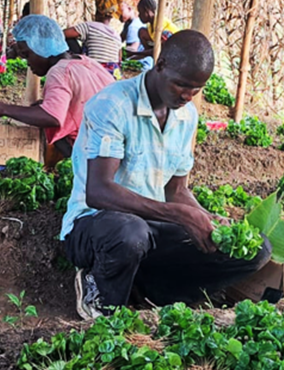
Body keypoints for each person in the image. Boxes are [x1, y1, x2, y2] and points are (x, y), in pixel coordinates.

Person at [60, 30, 271, 320]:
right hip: (95, 227)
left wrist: (206, 218)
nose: (187, 96)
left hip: (151, 228)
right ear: (160, 65)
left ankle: (151, 293)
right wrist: (179, 215)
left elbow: (176, 190)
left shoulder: (186, 116)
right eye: (181, 85)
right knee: (130, 232)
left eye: (196, 89)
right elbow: (99, 192)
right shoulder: (114, 105)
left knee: (255, 249)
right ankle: (98, 291)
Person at [0, 15, 114, 161]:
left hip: (93, 153)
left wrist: (3, 109)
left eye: (27, 55)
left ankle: (71, 164)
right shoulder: (87, 62)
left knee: (49, 126)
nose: (28, 63)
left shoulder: (60, 71)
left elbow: (52, 117)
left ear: (40, 47)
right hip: (112, 144)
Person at [64, 0, 125, 79]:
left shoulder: (89, 27)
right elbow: (119, 59)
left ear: (97, 9)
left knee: (69, 39)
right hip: (112, 76)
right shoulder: (116, 36)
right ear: (112, 15)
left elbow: (62, 34)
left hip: (92, 74)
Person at [125, 0, 180, 70]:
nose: (139, 16)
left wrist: (136, 53)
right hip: (159, 48)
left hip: (175, 50)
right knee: (142, 32)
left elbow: (160, 49)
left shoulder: (160, 25)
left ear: (147, 11)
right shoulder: (150, 26)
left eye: (140, 12)